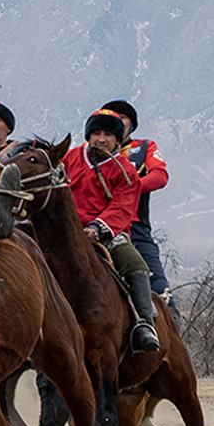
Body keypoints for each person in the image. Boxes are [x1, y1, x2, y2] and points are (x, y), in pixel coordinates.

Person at [60, 108, 161, 351]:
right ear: (88, 136)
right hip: (65, 232)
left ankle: (144, 324)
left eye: (108, 134)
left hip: (106, 234)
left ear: (118, 140)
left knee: (135, 264)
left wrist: (97, 228)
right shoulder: (69, 159)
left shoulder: (126, 170)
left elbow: (123, 207)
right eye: (96, 133)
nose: (101, 139)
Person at [96, 100, 171, 301]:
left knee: (160, 290)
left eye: (122, 118)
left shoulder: (143, 147)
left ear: (132, 124)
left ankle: (165, 318)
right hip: (96, 226)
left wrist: (129, 188)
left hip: (135, 226)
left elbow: (160, 176)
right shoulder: (89, 152)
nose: (116, 121)